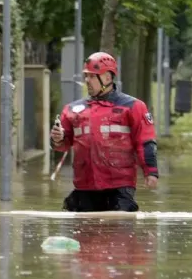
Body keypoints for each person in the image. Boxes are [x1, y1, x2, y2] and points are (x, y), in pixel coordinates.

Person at [50, 51, 159, 212]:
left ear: (107, 77)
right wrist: (57, 139)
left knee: (118, 232)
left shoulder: (133, 107)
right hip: (85, 185)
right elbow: (62, 145)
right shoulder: (72, 110)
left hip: (119, 186)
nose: (87, 80)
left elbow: (145, 141)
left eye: (92, 76)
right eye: (86, 76)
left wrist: (151, 172)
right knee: (86, 234)